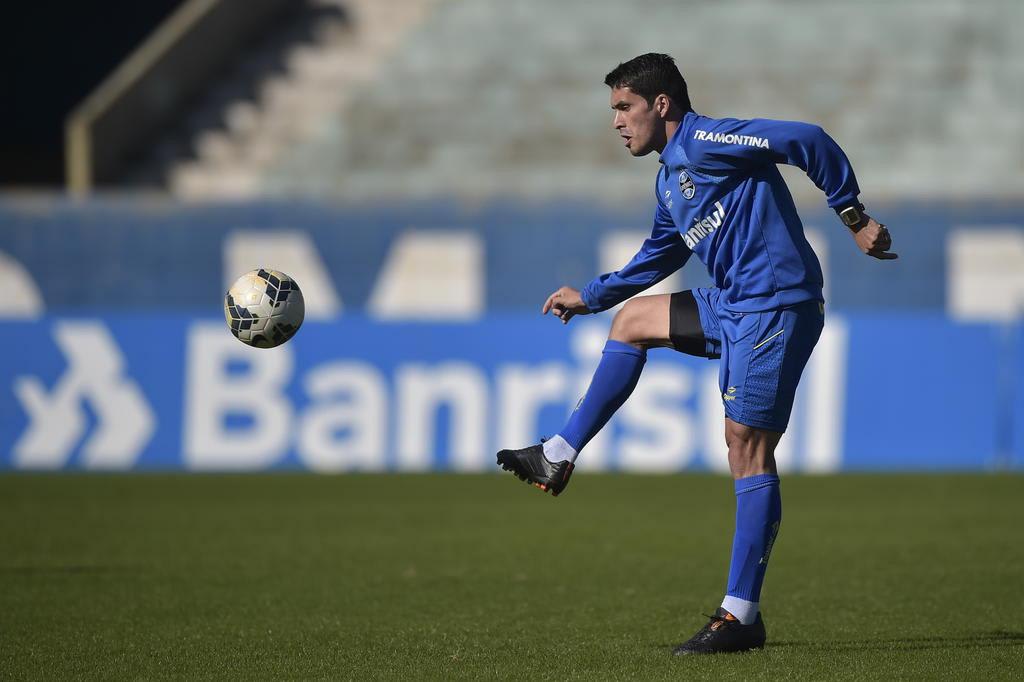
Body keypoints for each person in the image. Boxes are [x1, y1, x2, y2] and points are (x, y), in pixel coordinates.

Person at [496, 53, 897, 655]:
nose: (617, 122)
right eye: (614, 111)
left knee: (746, 444)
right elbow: (659, 255)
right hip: (733, 305)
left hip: (776, 306)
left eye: (624, 108)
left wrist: (852, 213)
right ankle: (557, 454)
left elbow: (806, 138)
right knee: (632, 321)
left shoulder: (711, 140)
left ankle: (740, 616)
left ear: (662, 105)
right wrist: (593, 297)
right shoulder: (668, 181)